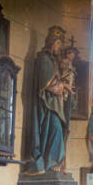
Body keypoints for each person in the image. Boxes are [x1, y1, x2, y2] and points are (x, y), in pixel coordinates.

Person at [26, 26, 71, 176]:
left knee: (56, 130)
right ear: (52, 43)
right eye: (58, 44)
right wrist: (63, 85)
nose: (59, 48)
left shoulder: (52, 61)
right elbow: (48, 83)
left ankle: (52, 162)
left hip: (53, 105)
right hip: (47, 105)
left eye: (60, 45)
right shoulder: (44, 59)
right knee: (56, 129)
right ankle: (48, 163)